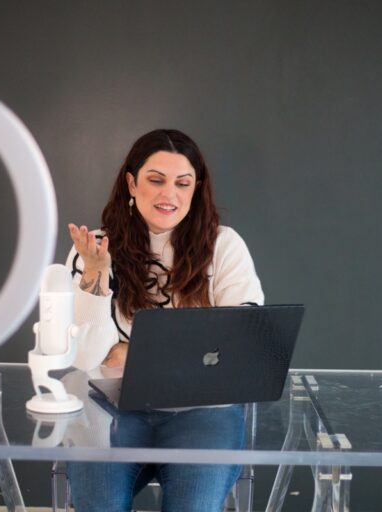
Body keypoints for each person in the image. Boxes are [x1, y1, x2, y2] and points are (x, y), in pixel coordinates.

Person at [65, 129, 264, 512]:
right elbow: (87, 357)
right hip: (110, 407)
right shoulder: (93, 249)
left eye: (182, 183)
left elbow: (241, 345)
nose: (168, 194)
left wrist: (131, 351)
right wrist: (95, 276)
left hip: (203, 413)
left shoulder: (224, 246)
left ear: (196, 189)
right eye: (155, 180)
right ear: (131, 183)